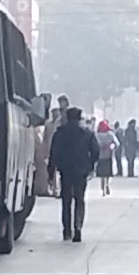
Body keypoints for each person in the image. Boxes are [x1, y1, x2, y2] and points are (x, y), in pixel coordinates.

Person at [47, 100, 102, 244]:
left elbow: (54, 152)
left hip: (65, 170)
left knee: (66, 200)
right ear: (79, 118)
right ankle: (78, 227)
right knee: (79, 199)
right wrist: (91, 166)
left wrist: (51, 171)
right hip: (81, 170)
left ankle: (67, 231)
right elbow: (96, 151)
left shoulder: (60, 133)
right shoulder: (87, 133)